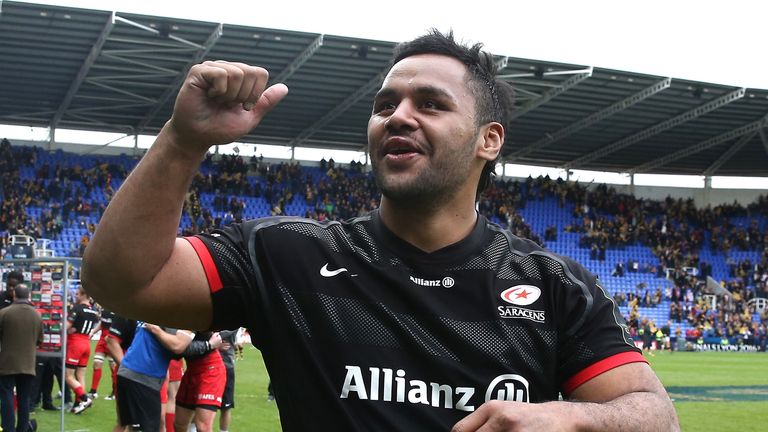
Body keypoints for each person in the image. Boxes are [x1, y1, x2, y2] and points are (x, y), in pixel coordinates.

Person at [83, 30, 679, 431]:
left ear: (489, 140)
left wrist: (571, 418)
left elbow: (655, 414)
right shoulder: (287, 254)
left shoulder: (551, 284)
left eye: (431, 104)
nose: (398, 116)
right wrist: (184, 140)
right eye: (385, 104)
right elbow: (121, 282)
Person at [0, 283, 42, 432]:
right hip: (28, 364)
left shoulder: (4, 313)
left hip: (7, 362)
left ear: (14, 295)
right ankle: (23, 429)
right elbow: (40, 340)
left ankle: (8, 428)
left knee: (7, 397)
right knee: (24, 398)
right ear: (28, 296)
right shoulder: (37, 315)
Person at [65, 286, 99, 414]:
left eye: (78, 294)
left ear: (84, 295)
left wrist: (68, 329)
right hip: (87, 343)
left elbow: (66, 327)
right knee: (80, 375)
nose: (76, 296)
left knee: (68, 376)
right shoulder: (93, 312)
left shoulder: (77, 308)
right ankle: (78, 404)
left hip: (76, 343)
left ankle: (85, 399)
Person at [89, 307, 116, 399]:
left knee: (114, 368)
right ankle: (93, 392)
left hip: (113, 340)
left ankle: (115, 392)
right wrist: (93, 331)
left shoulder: (119, 309)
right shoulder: (105, 307)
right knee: (96, 363)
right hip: (102, 340)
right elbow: (103, 322)